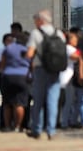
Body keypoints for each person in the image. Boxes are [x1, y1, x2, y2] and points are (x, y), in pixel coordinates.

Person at [26, 9, 66, 140]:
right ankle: (51, 131)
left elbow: (30, 54)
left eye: (35, 19)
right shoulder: (59, 33)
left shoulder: (36, 33)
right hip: (56, 70)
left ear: (40, 20)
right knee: (52, 101)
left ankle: (36, 129)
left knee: (38, 100)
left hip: (41, 69)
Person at [0, 33, 30, 131]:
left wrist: (3, 73)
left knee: (7, 103)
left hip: (8, 76)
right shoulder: (27, 50)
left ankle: (8, 126)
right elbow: (31, 64)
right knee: (19, 104)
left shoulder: (8, 48)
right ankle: (17, 126)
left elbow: (2, 64)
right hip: (23, 77)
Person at [60, 32, 83, 129]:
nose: (76, 42)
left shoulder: (65, 48)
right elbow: (75, 57)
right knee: (68, 101)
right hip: (68, 77)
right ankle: (65, 122)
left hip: (66, 77)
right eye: (75, 40)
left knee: (69, 101)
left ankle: (68, 120)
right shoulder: (69, 48)